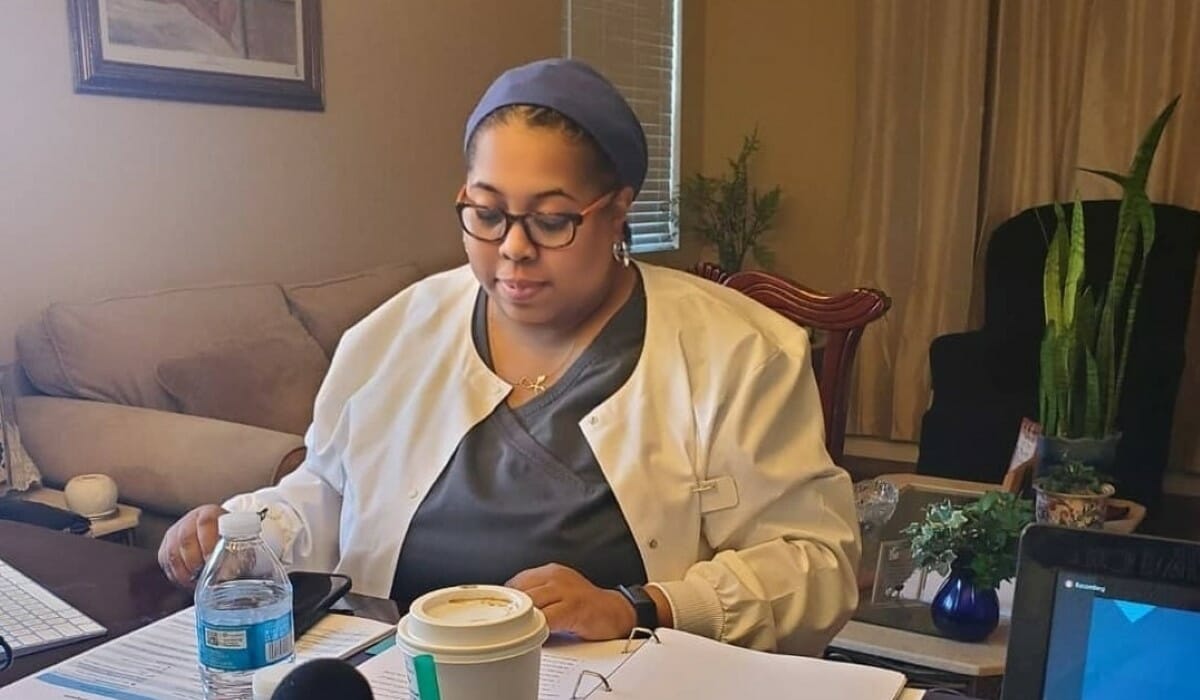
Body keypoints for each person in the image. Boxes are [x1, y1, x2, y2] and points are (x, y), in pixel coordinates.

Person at [159, 58, 860, 655]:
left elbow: (816, 565)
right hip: (403, 671)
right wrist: (247, 534)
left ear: (618, 211)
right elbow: (330, 491)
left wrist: (641, 605)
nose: (514, 249)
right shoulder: (391, 335)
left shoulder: (739, 353)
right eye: (487, 214)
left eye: (552, 220)